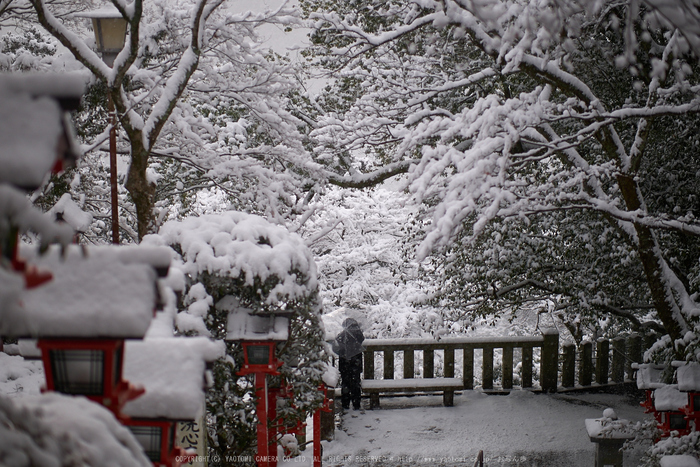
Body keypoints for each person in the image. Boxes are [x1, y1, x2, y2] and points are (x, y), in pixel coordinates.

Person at [332, 318, 365, 410]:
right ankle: (356, 403)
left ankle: (345, 403)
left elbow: (336, 347)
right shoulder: (358, 334)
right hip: (356, 363)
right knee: (356, 383)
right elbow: (362, 340)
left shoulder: (343, 335)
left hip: (345, 363)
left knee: (345, 383)